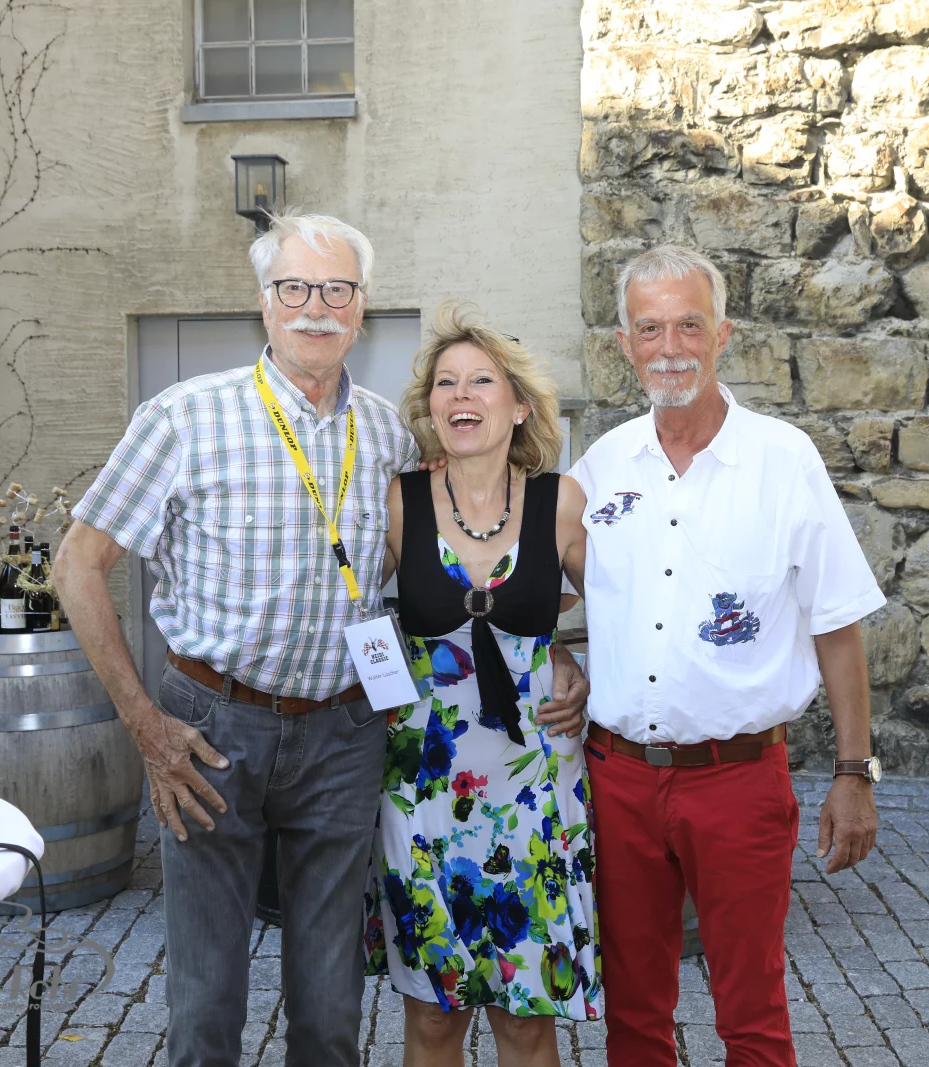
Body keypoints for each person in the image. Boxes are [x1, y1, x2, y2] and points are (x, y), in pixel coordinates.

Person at [56, 216, 586, 1067]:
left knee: (332, 1007)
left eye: (337, 289)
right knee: (206, 1002)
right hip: (212, 727)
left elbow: (461, 570)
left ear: (361, 308)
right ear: (264, 302)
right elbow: (77, 566)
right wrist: (145, 724)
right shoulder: (185, 416)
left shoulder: (389, 439)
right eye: (295, 287)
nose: (316, 306)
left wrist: (548, 648)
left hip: (346, 731)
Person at [571, 244, 884, 1067]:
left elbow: (838, 622)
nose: (669, 346)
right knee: (633, 1008)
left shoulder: (783, 459)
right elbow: (549, 588)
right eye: (649, 329)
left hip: (738, 781)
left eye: (688, 325)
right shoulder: (600, 467)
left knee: (753, 1010)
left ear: (722, 334)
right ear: (624, 344)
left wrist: (854, 772)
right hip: (618, 779)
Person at [364, 305, 597, 1066]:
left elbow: (632, 614)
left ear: (519, 404)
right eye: (446, 382)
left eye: (481, 381)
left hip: (536, 790)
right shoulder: (397, 502)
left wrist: (572, 661)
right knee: (434, 1017)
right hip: (422, 789)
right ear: (432, 406)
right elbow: (344, 607)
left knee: (526, 1020)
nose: (461, 395)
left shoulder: (562, 502)